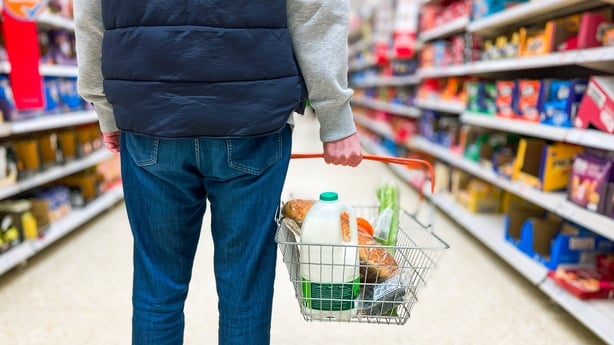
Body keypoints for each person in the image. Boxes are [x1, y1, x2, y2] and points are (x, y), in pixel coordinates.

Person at [73, 1, 362, 344]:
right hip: (252, 115)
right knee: (245, 287)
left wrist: (106, 108)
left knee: (158, 284)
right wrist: (334, 116)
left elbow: (90, 16)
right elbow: (315, 10)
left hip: (149, 114)